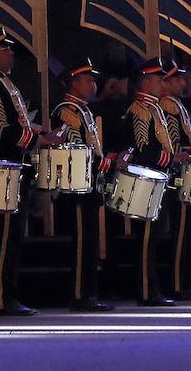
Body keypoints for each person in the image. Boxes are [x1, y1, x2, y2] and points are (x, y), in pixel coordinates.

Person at [0, 28, 50, 317]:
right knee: (5, 234)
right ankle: (3, 298)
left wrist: (36, 132)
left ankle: (9, 295)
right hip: (2, 163)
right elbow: (1, 129)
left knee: (14, 233)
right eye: (4, 49)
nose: (10, 53)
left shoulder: (3, 82)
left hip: (13, 163)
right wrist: (39, 140)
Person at [52, 58, 114, 312]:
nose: (93, 84)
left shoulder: (84, 110)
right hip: (76, 183)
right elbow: (77, 149)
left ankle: (89, 292)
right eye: (88, 79)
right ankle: (79, 294)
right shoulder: (67, 110)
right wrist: (101, 162)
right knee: (81, 242)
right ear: (75, 82)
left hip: (88, 183)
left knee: (90, 240)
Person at [122, 57, 178, 306]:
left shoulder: (154, 108)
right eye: (157, 79)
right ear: (145, 82)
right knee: (146, 237)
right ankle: (146, 290)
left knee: (153, 236)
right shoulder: (140, 109)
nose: (161, 83)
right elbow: (141, 147)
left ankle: (151, 288)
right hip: (146, 177)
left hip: (157, 176)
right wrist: (171, 157)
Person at [159, 60, 191, 301]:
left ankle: (184, 282)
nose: (183, 82)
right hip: (178, 172)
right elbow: (172, 139)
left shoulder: (175, 104)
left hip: (188, 170)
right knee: (181, 231)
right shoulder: (166, 105)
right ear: (165, 82)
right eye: (177, 78)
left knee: (188, 230)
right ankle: (178, 284)